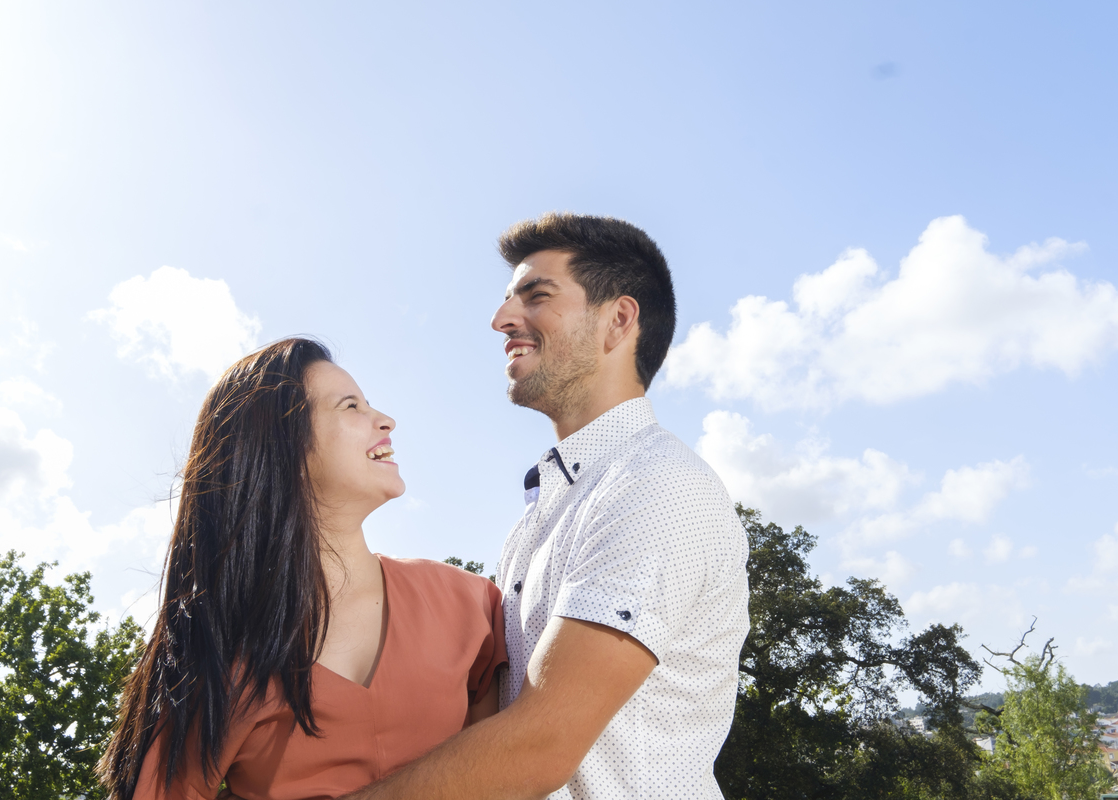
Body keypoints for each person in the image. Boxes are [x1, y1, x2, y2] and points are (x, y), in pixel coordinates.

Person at [342, 213, 750, 800]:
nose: (501, 320)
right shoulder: (545, 512)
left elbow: (538, 746)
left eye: (536, 296)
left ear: (619, 320)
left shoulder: (658, 487)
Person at [98, 337, 506, 800]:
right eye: (351, 406)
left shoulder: (470, 601)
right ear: (284, 450)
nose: (386, 421)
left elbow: (509, 767)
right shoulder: (216, 647)